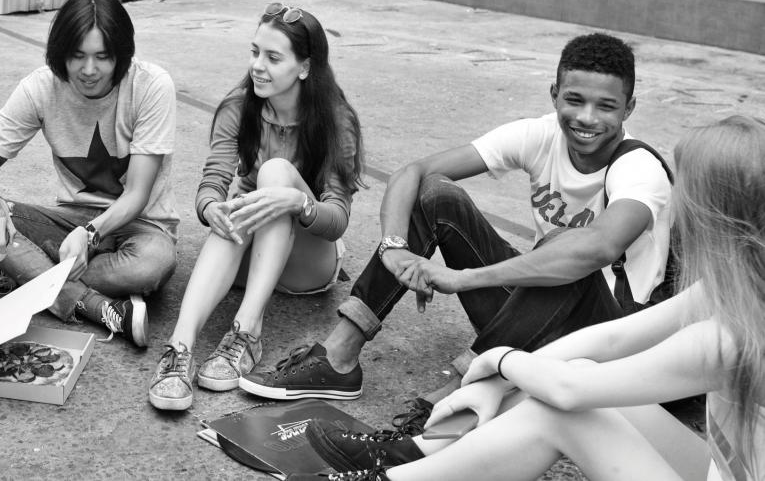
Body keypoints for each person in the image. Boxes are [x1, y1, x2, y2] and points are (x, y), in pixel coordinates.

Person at [291, 115, 765, 481]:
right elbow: (611, 342)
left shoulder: (729, 338)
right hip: (718, 468)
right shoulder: (737, 291)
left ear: (710, 216)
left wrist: (499, 360)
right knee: (568, 370)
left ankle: (396, 474)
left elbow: (568, 391)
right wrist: (493, 380)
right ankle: (418, 451)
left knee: (562, 410)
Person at [239, 33, 673, 416]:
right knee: (436, 194)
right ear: (554, 93)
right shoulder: (540, 135)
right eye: (574, 100)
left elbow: (595, 250)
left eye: (606, 106)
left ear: (629, 108)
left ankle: (458, 394)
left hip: (609, 345)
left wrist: (463, 278)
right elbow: (413, 172)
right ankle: (339, 357)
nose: (586, 118)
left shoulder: (638, 168)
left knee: (565, 251)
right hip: (538, 319)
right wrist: (394, 246)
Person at [148, 2, 364, 411]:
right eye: (255, 52)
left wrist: (298, 201)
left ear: (304, 67)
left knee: (277, 174)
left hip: (307, 263)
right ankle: (179, 348)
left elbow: (337, 219)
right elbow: (212, 182)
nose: (257, 66)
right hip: (247, 261)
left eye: (273, 57)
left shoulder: (335, 119)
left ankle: (247, 330)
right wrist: (211, 206)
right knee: (236, 207)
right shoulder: (239, 106)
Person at [0, 0, 179, 348]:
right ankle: (99, 307)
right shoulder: (40, 88)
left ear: (121, 54)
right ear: (60, 52)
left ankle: (26, 274)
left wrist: (91, 234)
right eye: (77, 56)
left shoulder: (150, 86)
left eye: (103, 57)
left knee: (152, 266)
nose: (89, 70)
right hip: (67, 222)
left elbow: (138, 194)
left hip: (140, 227)